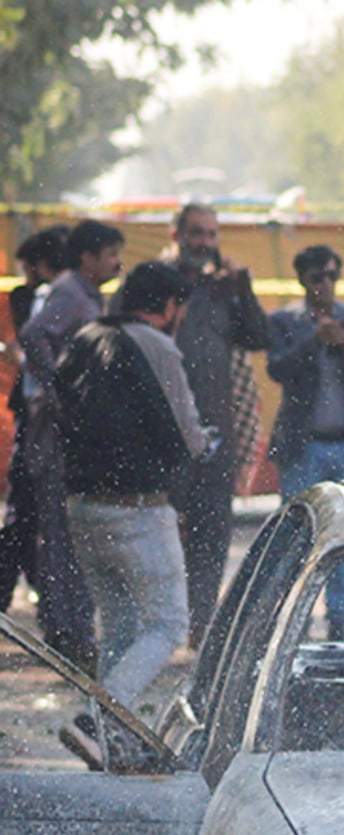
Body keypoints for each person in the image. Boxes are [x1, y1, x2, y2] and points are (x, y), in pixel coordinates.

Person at [50, 261, 210, 733]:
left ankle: (106, 736)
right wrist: (206, 442)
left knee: (119, 625)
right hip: (136, 509)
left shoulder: (85, 336)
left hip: (83, 506)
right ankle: (95, 719)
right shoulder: (156, 344)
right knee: (168, 627)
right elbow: (188, 434)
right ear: (169, 305)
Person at [265, 244, 344, 641]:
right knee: (298, 538)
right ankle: (295, 625)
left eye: (333, 276)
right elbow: (276, 370)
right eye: (319, 277)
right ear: (302, 278)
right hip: (302, 448)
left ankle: (339, 622)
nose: (326, 285)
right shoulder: (284, 321)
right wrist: (312, 342)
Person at [159, 203, 270, 646]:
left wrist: (244, 290)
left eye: (210, 234)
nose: (204, 242)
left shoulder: (225, 288)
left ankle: (200, 628)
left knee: (212, 533)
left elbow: (259, 338)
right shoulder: (157, 281)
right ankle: (165, 625)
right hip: (164, 435)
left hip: (216, 433)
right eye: (196, 233)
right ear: (177, 234)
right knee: (163, 533)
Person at [15, 219, 124, 669]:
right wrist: (61, 386)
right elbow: (33, 334)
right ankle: (68, 634)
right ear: (88, 258)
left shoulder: (86, 294)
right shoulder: (70, 293)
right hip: (56, 433)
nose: (117, 262)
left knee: (72, 532)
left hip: (70, 430)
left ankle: (72, 628)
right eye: (110, 254)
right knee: (62, 532)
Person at [2, 225, 70, 613]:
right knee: (27, 510)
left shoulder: (54, 298)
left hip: (42, 416)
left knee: (28, 509)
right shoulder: (49, 297)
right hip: (40, 415)